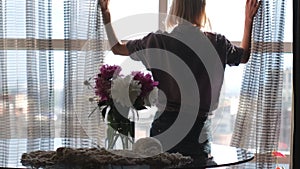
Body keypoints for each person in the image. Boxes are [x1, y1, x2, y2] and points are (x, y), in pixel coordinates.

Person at [99, 0, 260, 161]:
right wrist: (248, 20)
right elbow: (244, 55)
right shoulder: (217, 44)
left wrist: (107, 17)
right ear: (202, 9)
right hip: (199, 130)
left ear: (174, 9)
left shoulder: (158, 42)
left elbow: (117, 48)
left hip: (164, 128)